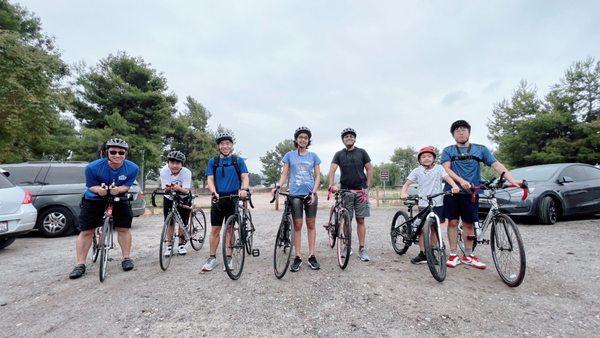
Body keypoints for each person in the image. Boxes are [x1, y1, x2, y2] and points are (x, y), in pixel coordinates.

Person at [441, 120, 523, 269]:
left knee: (469, 223)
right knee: (452, 222)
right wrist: (461, 181)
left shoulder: (481, 149)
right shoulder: (448, 150)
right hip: (452, 190)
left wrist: (512, 180)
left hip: (473, 190)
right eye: (457, 130)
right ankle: (453, 254)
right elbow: (446, 169)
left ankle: (467, 255)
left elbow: (496, 165)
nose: (461, 132)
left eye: (463, 129)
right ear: (453, 135)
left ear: (469, 132)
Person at [69, 138, 139, 279]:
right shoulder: (92, 167)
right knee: (87, 231)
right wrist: (98, 190)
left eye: (121, 152)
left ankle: (126, 258)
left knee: (123, 229)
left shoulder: (133, 168)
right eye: (113, 152)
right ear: (106, 152)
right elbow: (90, 185)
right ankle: (80, 264)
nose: (117, 155)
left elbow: (126, 186)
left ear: (126, 154)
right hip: (94, 198)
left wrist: (118, 189)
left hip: (119, 197)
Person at [272, 127, 321, 272]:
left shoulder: (313, 156)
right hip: (295, 195)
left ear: (308, 140)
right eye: (300, 137)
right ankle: (298, 256)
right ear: (296, 139)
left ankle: (312, 255)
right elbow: (285, 173)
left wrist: (314, 191)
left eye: (305, 138)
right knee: (298, 225)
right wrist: (278, 186)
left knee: (311, 224)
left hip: (310, 194)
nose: (303, 140)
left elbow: (318, 175)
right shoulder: (289, 155)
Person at [401, 146, 460, 264]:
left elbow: (447, 177)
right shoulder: (417, 170)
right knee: (422, 230)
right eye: (423, 157)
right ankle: (423, 253)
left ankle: (432, 251)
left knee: (434, 229)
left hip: (438, 203)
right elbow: (407, 184)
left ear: (434, 158)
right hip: (424, 203)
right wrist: (404, 191)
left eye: (429, 156)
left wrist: (454, 186)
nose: (426, 159)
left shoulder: (439, 168)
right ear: (419, 160)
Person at [201, 131, 250, 272]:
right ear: (218, 146)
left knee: (229, 229)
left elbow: (245, 177)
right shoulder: (213, 162)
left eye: (228, 143)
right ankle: (212, 258)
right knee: (215, 229)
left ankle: (228, 258)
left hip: (233, 198)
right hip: (218, 197)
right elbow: (210, 179)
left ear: (232, 145)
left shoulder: (237, 160)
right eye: (222, 144)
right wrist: (213, 192)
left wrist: (243, 189)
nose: (225, 146)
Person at [326, 127, 373, 262]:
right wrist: (331, 185)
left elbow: (369, 169)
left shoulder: (362, 152)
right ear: (343, 140)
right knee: (346, 220)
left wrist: (368, 186)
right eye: (346, 137)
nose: (349, 138)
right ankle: (347, 246)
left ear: (355, 139)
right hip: (346, 191)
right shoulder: (339, 154)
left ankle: (362, 249)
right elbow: (332, 170)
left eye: (351, 136)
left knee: (361, 220)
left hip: (360, 192)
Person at [159, 150, 192, 257]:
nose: (174, 165)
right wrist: (169, 189)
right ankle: (169, 245)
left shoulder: (187, 172)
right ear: (168, 163)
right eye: (172, 162)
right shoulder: (164, 170)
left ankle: (181, 244)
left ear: (182, 164)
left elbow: (186, 190)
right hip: (169, 197)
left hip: (183, 197)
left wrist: (178, 187)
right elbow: (165, 188)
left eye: (177, 163)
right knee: (170, 222)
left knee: (182, 222)